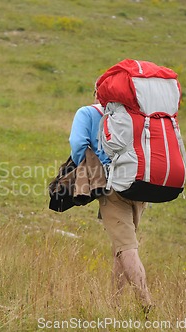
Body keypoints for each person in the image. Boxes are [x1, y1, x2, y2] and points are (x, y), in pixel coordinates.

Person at [69, 92, 152, 311]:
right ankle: (113, 304)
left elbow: (77, 143)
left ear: (97, 92)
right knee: (120, 245)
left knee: (126, 247)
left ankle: (146, 304)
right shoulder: (137, 114)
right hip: (140, 184)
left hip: (112, 186)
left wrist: (87, 170)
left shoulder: (87, 112)